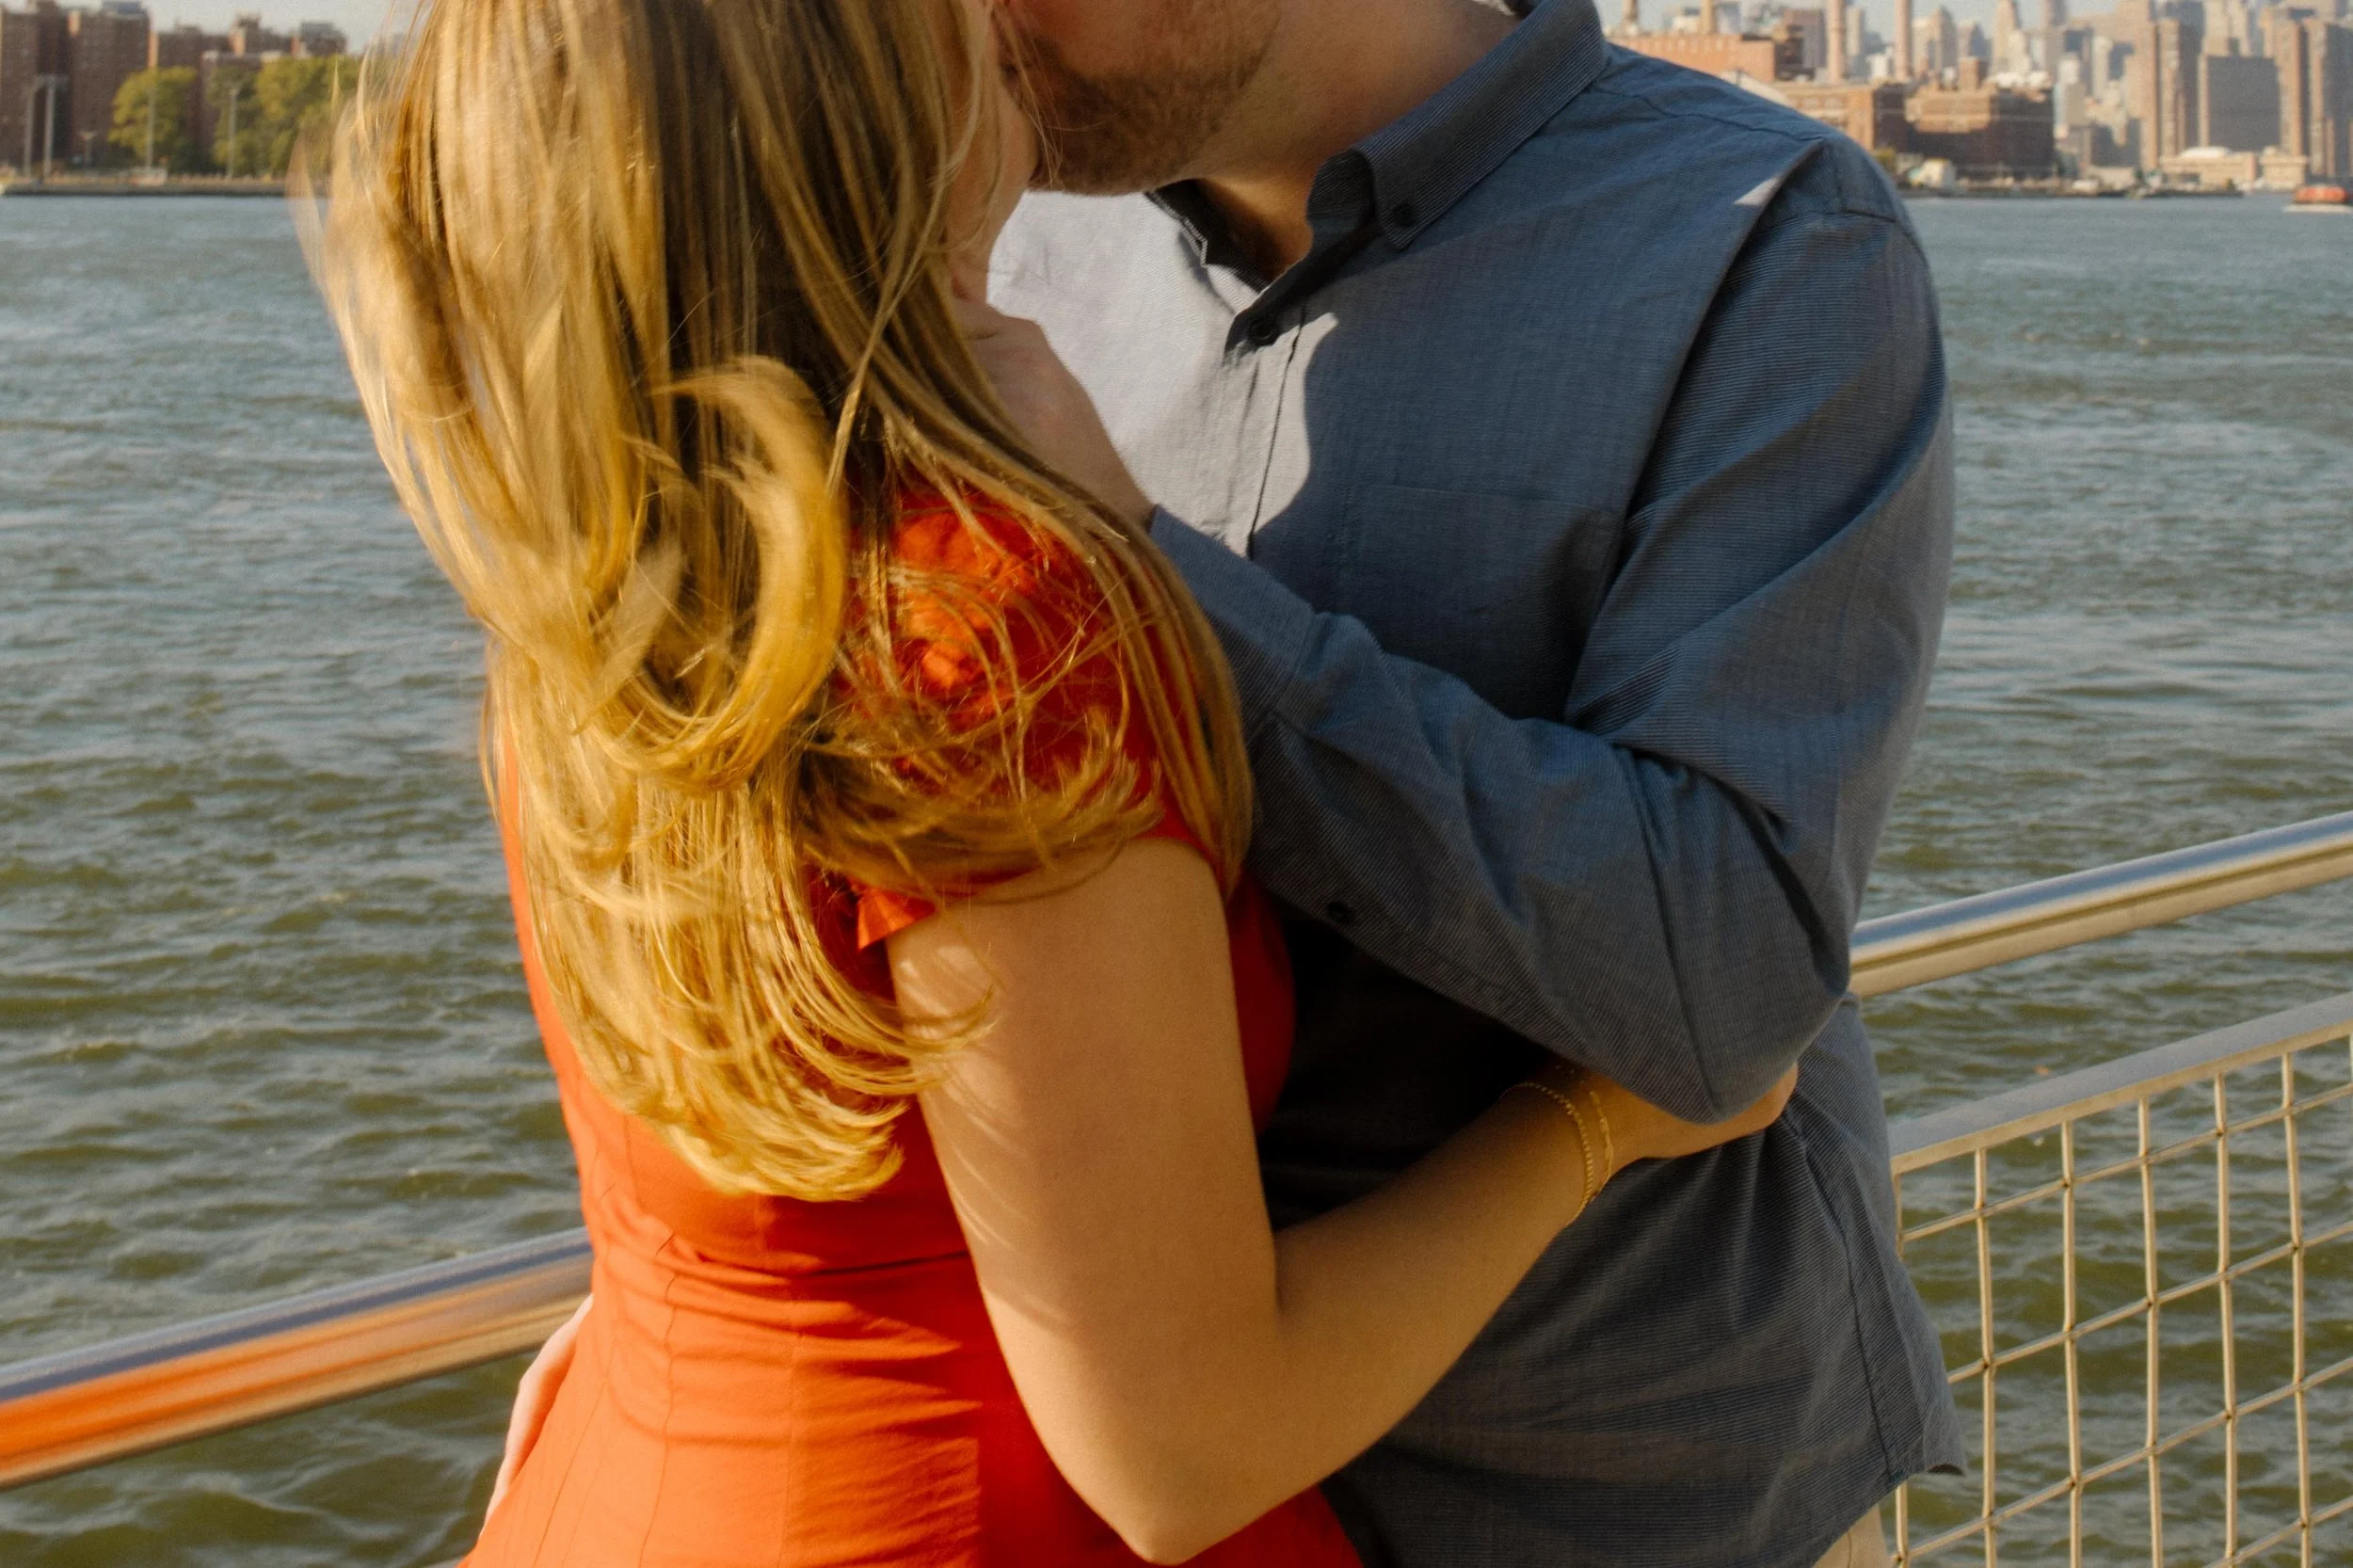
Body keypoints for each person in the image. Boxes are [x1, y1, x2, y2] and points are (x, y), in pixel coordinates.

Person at [306, 0, 1793, 1563]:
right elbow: (1183, 1450)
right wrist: (1588, 1123)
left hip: (626, 1477)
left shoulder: (621, 574)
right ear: (870, 111)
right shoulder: (981, 633)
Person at [952, 0, 1969, 1565]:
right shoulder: (1005, 239)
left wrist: (1132, 586)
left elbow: (1728, 980)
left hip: (1605, 1488)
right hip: (1121, 1474)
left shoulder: (1768, 246)